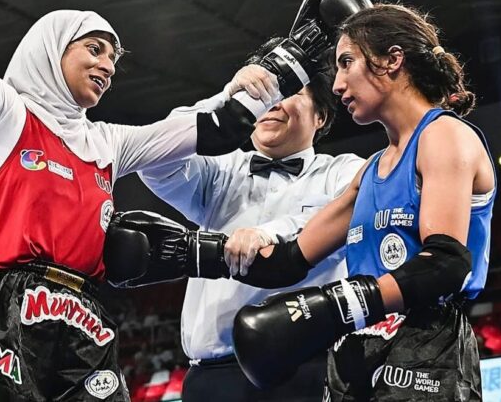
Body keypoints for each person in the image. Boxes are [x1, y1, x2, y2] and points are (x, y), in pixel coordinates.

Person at [0, 0, 342, 401]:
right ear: (52, 48)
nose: (107, 66)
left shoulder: (108, 141)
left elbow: (215, 130)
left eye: (113, 58)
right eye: (94, 49)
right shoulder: (3, 114)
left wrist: (286, 64)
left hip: (82, 314)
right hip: (4, 311)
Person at [210, 3, 495, 401]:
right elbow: (289, 259)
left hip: (426, 347)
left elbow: (445, 264)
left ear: (392, 60)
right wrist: (191, 253)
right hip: (356, 346)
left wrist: (338, 304)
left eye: (346, 63)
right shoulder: (371, 170)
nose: (338, 85)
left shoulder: (444, 135)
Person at [136, 38, 365, 401]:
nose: (272, 102)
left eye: (287, 91)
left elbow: (339, 214)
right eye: (265, 91)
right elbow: (153, 156)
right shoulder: (220, 170)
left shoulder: (343, 171)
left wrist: (267, 233)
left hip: (308, 372)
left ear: (320, 115)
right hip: (213, 380)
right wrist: (225, 99)